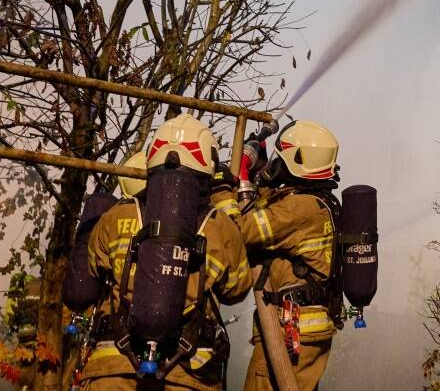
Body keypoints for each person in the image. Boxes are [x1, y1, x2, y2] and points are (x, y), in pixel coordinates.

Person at [76, 113, 252, 391]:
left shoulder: (115, 216)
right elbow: (237, 289)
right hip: (187, 372)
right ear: (208, 163)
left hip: (112, 368)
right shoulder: (221, 228)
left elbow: (93, 270)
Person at [236, 120, 342, 391]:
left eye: (279, 160)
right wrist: (257, 171)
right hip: (308, 328)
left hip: (287, 332)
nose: (275, 165)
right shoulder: (316, 203)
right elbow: (269, 213)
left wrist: (225, 182)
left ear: (296, 160)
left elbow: (242, 230)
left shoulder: (298, 208)